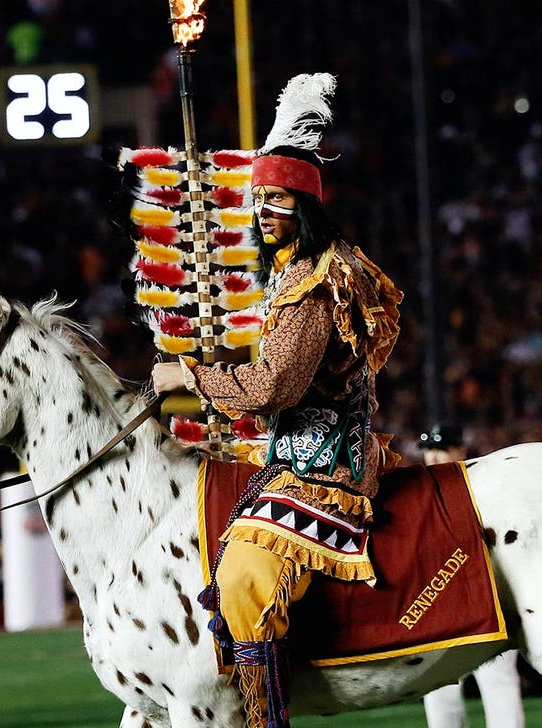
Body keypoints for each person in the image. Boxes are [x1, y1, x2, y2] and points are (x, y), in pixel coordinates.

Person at [151, 73, 403, 728]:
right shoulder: (302, 270)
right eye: (257, 201)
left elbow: (273, 388)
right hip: (298, 456)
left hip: (323, 472)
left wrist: (192, 378)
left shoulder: (312, 279)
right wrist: (220, 360)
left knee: (240, 585)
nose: (262, 214)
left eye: (275, 201)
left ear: (305, 204)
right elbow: (277, 369)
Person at [417, 424, 525, 728]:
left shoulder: (484, 483)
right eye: (429, 450)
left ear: (461, 450)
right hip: (440, 602)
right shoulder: (420, 490)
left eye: (442, 448)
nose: (435, 456)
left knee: (499, 680)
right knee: (438, 685)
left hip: (489, 597)